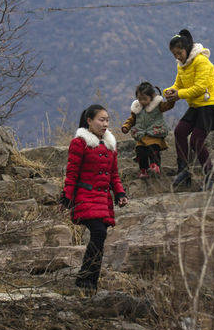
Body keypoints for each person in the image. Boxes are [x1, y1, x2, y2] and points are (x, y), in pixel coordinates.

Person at [59, 104, 128, 293]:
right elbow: (72, 172)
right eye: (101, 119)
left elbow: (114, 175)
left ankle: (90, 281)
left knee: (100, 236)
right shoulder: (80, 143)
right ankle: (84, 279)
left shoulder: (110, 145)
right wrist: (67, 196)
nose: (105, 124)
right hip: (85, 196)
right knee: (98, 233)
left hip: (103, 200)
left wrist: (120, 193)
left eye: (107, 120)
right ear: (89, 121)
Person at [163, 29, 214, 189]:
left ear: (187, 48)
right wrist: (168, 91)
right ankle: (184, 170)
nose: (177, 57)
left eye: (179, 53)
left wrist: (178, 95)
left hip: (210, 105)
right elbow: (178, 85)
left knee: (197, 140)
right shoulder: (182, 65)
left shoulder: (201, 61)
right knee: (179, 132)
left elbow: (199, 88)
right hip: (196, 106)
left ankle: (210, 177)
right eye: (174, 54)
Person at [121, 82, 175, 178]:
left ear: (152, 97)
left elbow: (168, 106)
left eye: (145, 99)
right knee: (140, 151)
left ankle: (155, 166)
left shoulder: (158, 105)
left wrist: (171, 99)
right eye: (139, 99)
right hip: (141, 135)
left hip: (154, 134)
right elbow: (131, 120)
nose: (142, 101)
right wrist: (126, 126)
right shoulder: (137, 109)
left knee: (154, 149)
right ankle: (144, 170)